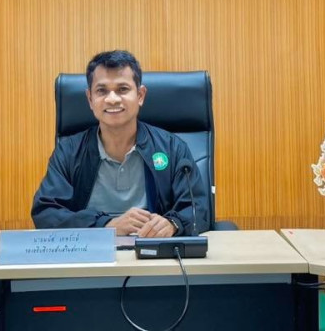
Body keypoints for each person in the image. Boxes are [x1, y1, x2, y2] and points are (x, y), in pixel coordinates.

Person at [31, 50, 209, 237]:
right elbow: (46, 212)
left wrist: (173, 224)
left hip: (153, 250)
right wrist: (106, 225)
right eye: (101, 91)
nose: (112, 99)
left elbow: (199, 208)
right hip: (93, 250)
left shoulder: (172, 148)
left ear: (140, 95)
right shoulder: (68, 152)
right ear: (90, 99)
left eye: (123, 89)